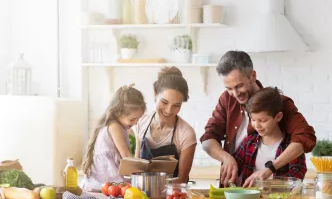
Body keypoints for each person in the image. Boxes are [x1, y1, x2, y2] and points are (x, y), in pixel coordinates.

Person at [200, 50, 316, 187]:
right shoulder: (227, 99)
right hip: (235, 188)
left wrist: (271, 168)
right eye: (229, 88)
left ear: (252, 76)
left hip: (273, 191)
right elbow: (208, 138)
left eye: (239, 86)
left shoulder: (278, 103)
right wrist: (226, 157)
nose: (235, 94)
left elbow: (305, 136)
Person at [133, 67, 197, 183]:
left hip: (172, 196)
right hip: (141, 195)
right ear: (155, 94)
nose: (168, 110)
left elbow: (182, 180)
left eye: (176, 105)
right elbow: (137, 170)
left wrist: (155, 188)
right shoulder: (141, 122)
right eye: (164, 102)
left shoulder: (186, 133)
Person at [234, 87, 307, 187]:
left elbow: (297, 177)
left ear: (278, 117)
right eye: (253, 119)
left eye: (263, 120)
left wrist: (264, 182)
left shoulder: (291, 146)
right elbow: (235, 168)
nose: (257, 125)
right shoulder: (248, 143)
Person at [81, 84, 146, 191]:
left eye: (137, 119)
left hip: (106, 182)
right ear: (118, 112)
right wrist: (140, 175)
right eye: (132, 119)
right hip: (105, 183)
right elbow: (125, 155)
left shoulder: (117, 125)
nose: (135, 123)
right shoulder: (114, 126)